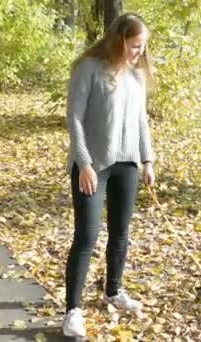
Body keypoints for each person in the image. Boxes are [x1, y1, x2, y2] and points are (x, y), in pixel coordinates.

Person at [62, 13, 156, 338]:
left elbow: (142, 120)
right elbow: (74, 118)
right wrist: (83, 162)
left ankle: (113, 290)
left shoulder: (136, 77)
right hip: (92, 167)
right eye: (134, 46)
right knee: (86, 237)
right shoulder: (89, 68)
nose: (138, 53)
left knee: (120, 234)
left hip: (127, 165)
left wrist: (147, 161)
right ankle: (73, 311)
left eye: (142, 47)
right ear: (119, 40)